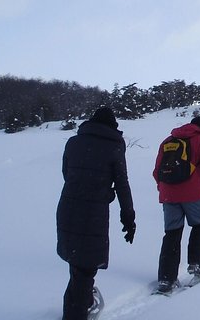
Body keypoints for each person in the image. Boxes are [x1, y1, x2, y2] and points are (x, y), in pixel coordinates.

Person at [56, 106, 135, 320]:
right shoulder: (114, 145)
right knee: (86, 267)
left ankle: (79, 306)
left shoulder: (73, 142)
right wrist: (128, 217)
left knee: (77, 264)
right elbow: (122, 184)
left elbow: (68, 174)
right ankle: (77, 312)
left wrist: (93, 189)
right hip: (92, 214)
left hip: (67, 207)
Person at [153, 116, 200, 294]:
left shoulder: (168, 141)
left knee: (172, 233)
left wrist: (164, 189)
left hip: (168, 195)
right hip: (193, 194)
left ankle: (166, 279)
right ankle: (198, 266)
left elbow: (157, 170)